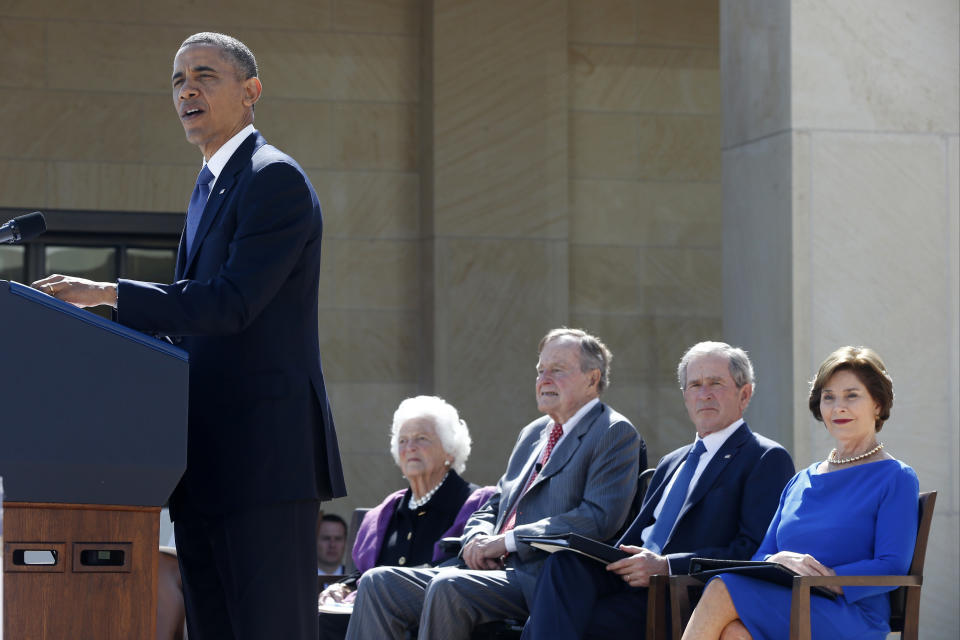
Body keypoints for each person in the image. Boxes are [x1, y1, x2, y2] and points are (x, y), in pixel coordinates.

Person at [33, 32, 345, 639]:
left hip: (263, 461)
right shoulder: (208, 186)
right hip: (204, 459)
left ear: (251, 92)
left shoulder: (272, 178)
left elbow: (232, 303)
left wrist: (108, 293)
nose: (187, 90)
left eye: (205, 75)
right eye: (177, 80)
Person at [345, 328, 646, 640]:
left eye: (557, 370)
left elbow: (597, 518)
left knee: (448, 588)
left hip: (542, 577)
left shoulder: (613, 433)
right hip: (488, 569)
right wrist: (477, 537)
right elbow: (495, 503)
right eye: (540, 371)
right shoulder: (534, 433)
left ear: (592, 378)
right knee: (377, 582)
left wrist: (509, 541)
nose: (544, 379)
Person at [521, 341, 795, 640]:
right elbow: (637, 537)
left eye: (716, 383)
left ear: (745, 394)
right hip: (627, 579)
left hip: (680, 591)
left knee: (566, 624)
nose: (704, 394)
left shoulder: (764, 457)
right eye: (695, 385)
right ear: (685, 397)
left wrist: (665, 566)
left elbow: (750, 551)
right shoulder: (672, 461)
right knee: (564, 562)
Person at [682, 346, 919, 640]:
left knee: (722, 587)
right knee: (735, 633)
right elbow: (761, 554)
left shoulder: (896, 477)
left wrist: (825, 580)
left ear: (878, 405)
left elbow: (892, 564)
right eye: (828, 397)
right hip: (790, 601)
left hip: (848, 613)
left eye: (851, 395)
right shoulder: (800, 481)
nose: (838, 407)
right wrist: (777, 560)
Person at [318, 395, 495, 639]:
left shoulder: (475, 504)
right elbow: (367, 573)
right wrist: (343, 586)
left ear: (450, 450)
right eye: (403, 440)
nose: (409, 447)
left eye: (421, 438)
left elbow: (470, 572)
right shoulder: (386, 513)